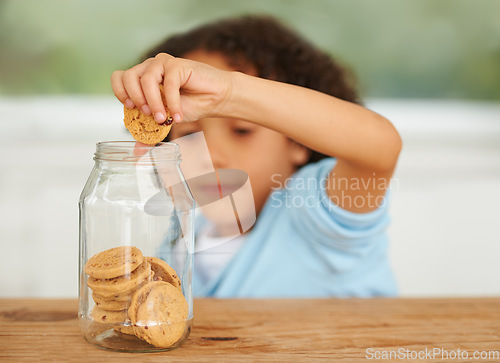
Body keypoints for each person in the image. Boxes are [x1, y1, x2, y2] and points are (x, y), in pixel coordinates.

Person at [111, 15, 402, 298]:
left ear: (298, 140)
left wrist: (230, 94)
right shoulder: (180, 241)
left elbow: (380, 147)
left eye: (241, 130)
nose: (210, 156)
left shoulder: (317, 211)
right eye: (188, 135)